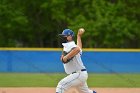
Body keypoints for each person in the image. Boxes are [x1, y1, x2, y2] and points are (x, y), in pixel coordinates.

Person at [56, 29, 96, 93]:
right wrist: (79, 36)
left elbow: (77, 49)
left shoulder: (70, 44)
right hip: (80, 74)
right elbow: (79, 48)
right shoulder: (70, 45)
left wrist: (66, 57)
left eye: (65, 36)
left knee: (61, 86)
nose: (63, 37)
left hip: (78, 74)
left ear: (70, 37)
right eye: (62, 36)